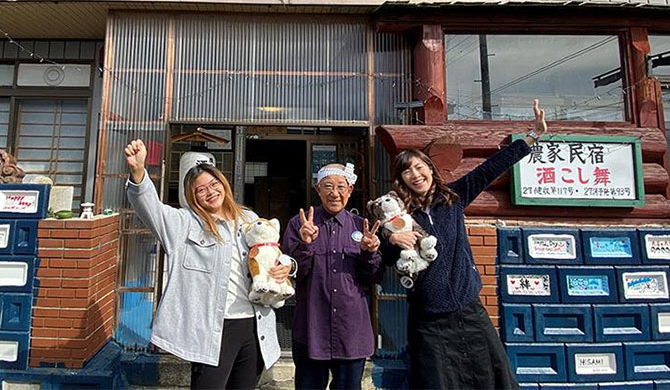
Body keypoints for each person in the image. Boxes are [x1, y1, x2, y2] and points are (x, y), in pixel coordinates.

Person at [378, 99, 548, 390]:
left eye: (419, 167)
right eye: (407, 171)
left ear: (430, 169)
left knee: (491, 378)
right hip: (428, 319)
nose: (415, 175)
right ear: (401, 179)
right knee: (437, 383)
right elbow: (385, 255)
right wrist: (392, 239)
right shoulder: (399, 215)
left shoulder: (453, 198)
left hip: (468, 308)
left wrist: (533, 136)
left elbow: (489, 169)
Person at [124, 139, 290, 389]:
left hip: (255, 324)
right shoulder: (183, 223)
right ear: (192, 196)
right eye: (201, 190)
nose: (210, 191)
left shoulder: (248, 218)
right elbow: (150, 209)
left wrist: (286, 266)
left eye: (214, 184)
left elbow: (271, 253)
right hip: (213, 328)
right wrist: (138, 172)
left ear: (223, 184)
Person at [282, 163, 384, 390]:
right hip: (311, 329)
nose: (334, 193)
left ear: (350, 190)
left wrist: (370, 253)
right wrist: (305, 245)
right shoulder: (299, 224)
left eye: (341, 187)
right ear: (318, 190)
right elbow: (291, 273)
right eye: (328, 186)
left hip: (351, 330)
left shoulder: (361, 227)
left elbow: (373, 278)